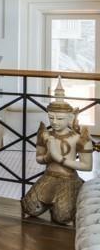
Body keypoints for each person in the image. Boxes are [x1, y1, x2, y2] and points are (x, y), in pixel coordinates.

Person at [22, 78, 93, 225]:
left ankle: (66, 202)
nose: (54, 122)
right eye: (51, 117)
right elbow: (39, 159)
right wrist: (48, 156)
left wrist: (59, 158)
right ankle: (52, 204)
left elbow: (87, 166)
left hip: (68, 178)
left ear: (70, 117)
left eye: (60, 118)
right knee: (29, 208)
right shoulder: (45, 135)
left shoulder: (79, 138)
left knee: (62, 217)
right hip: (49, 176)